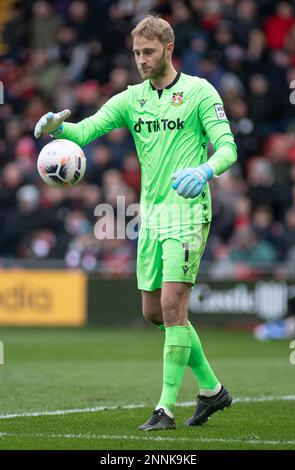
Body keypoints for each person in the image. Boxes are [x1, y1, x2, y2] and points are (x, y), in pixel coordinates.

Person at [34, 16, 237, 431]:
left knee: (172, 306)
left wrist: (204, 170)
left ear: (168, 48)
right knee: (153, 312)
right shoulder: (132, 99)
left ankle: (164, 410)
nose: (141, 61)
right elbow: (88, 129)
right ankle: (213, 391)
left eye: (148, 52)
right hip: (152, 215)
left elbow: (228, 147)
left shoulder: (199, 92)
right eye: (136, 54)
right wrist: (58, 128)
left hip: (188, 211)